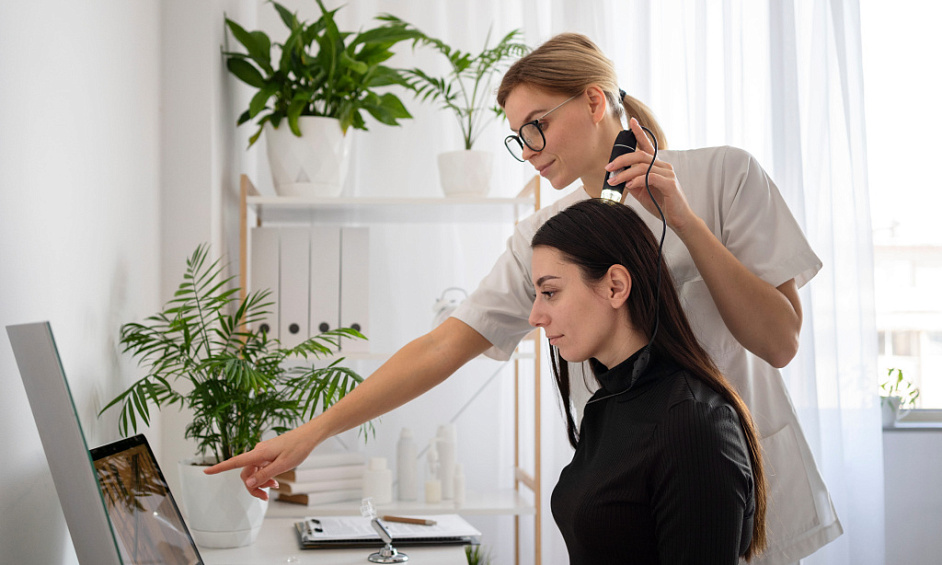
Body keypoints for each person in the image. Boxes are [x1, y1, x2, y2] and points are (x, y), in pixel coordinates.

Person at [208, 32, 841, 564]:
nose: (529, 151)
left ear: (594, 101)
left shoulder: (723, 177)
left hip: (731, 478)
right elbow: (443, 344)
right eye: (518, 136)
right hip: (627, 493)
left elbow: (780, 341)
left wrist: (685, 220)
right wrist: (311, 434)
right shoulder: (545, 238)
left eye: (536, 126)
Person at [531, 198, 765, 564]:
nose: (535, 315)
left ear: (615, 287)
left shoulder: (693, 423)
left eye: (549, 292)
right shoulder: (604, 403)